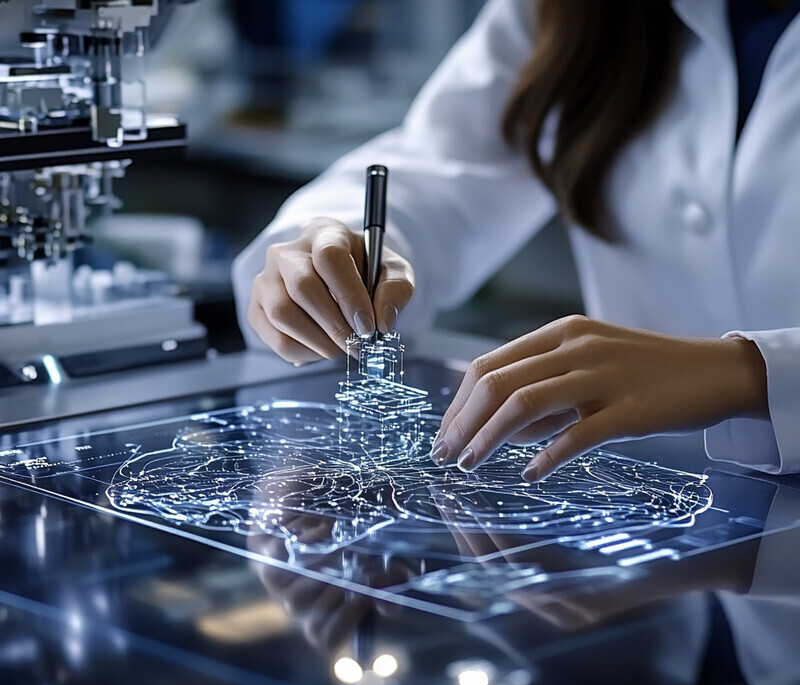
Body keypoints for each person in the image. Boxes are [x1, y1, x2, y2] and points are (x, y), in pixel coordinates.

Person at [233, 0, 800, 482]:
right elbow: (440, 166)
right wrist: (326, 250)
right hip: (653, 536)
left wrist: (750, 373)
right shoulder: (571, 12)